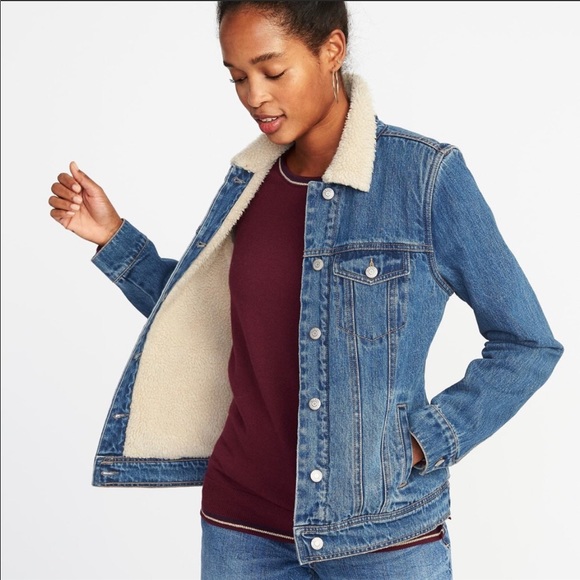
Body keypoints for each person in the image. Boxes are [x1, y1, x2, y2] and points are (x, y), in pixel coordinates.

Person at [48, 2, 563, 578]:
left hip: (382, 535)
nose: (254, 96)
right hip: (241, 532)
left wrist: (425, 440)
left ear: (331, 51)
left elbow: (527, 344)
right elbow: (210, 321)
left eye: (272, 70)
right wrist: (114, 239)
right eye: (237, 77)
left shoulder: (423, 178)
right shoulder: (250, 184)